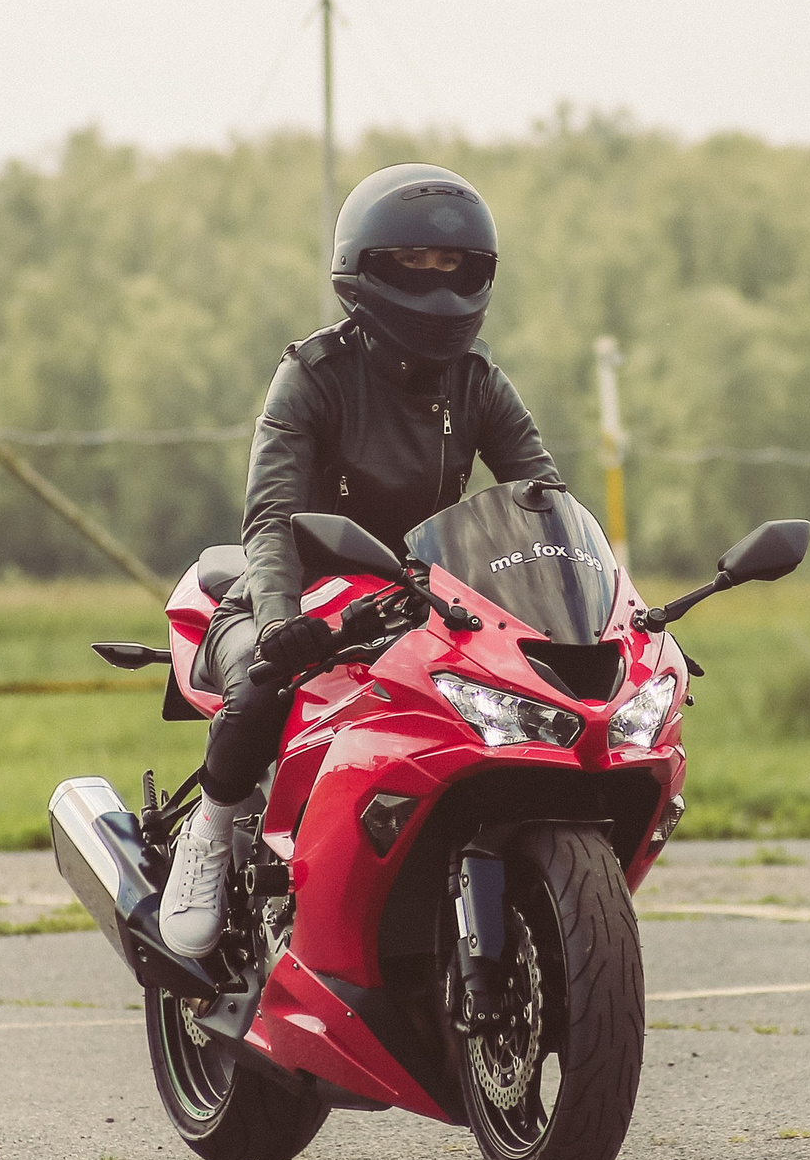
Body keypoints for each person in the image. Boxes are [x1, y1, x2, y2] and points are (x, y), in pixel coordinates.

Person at [160, 164, 557, 958]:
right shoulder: (313, 375)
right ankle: (212, 827)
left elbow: (543, 500)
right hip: (302, 591)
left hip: (422, 597)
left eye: (452, 266)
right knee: (264, 685)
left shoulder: (477, 382)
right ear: (366, 269)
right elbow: (270, 516)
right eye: (415, 262)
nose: (435, 280)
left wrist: (613, 612)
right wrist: (281, 621)